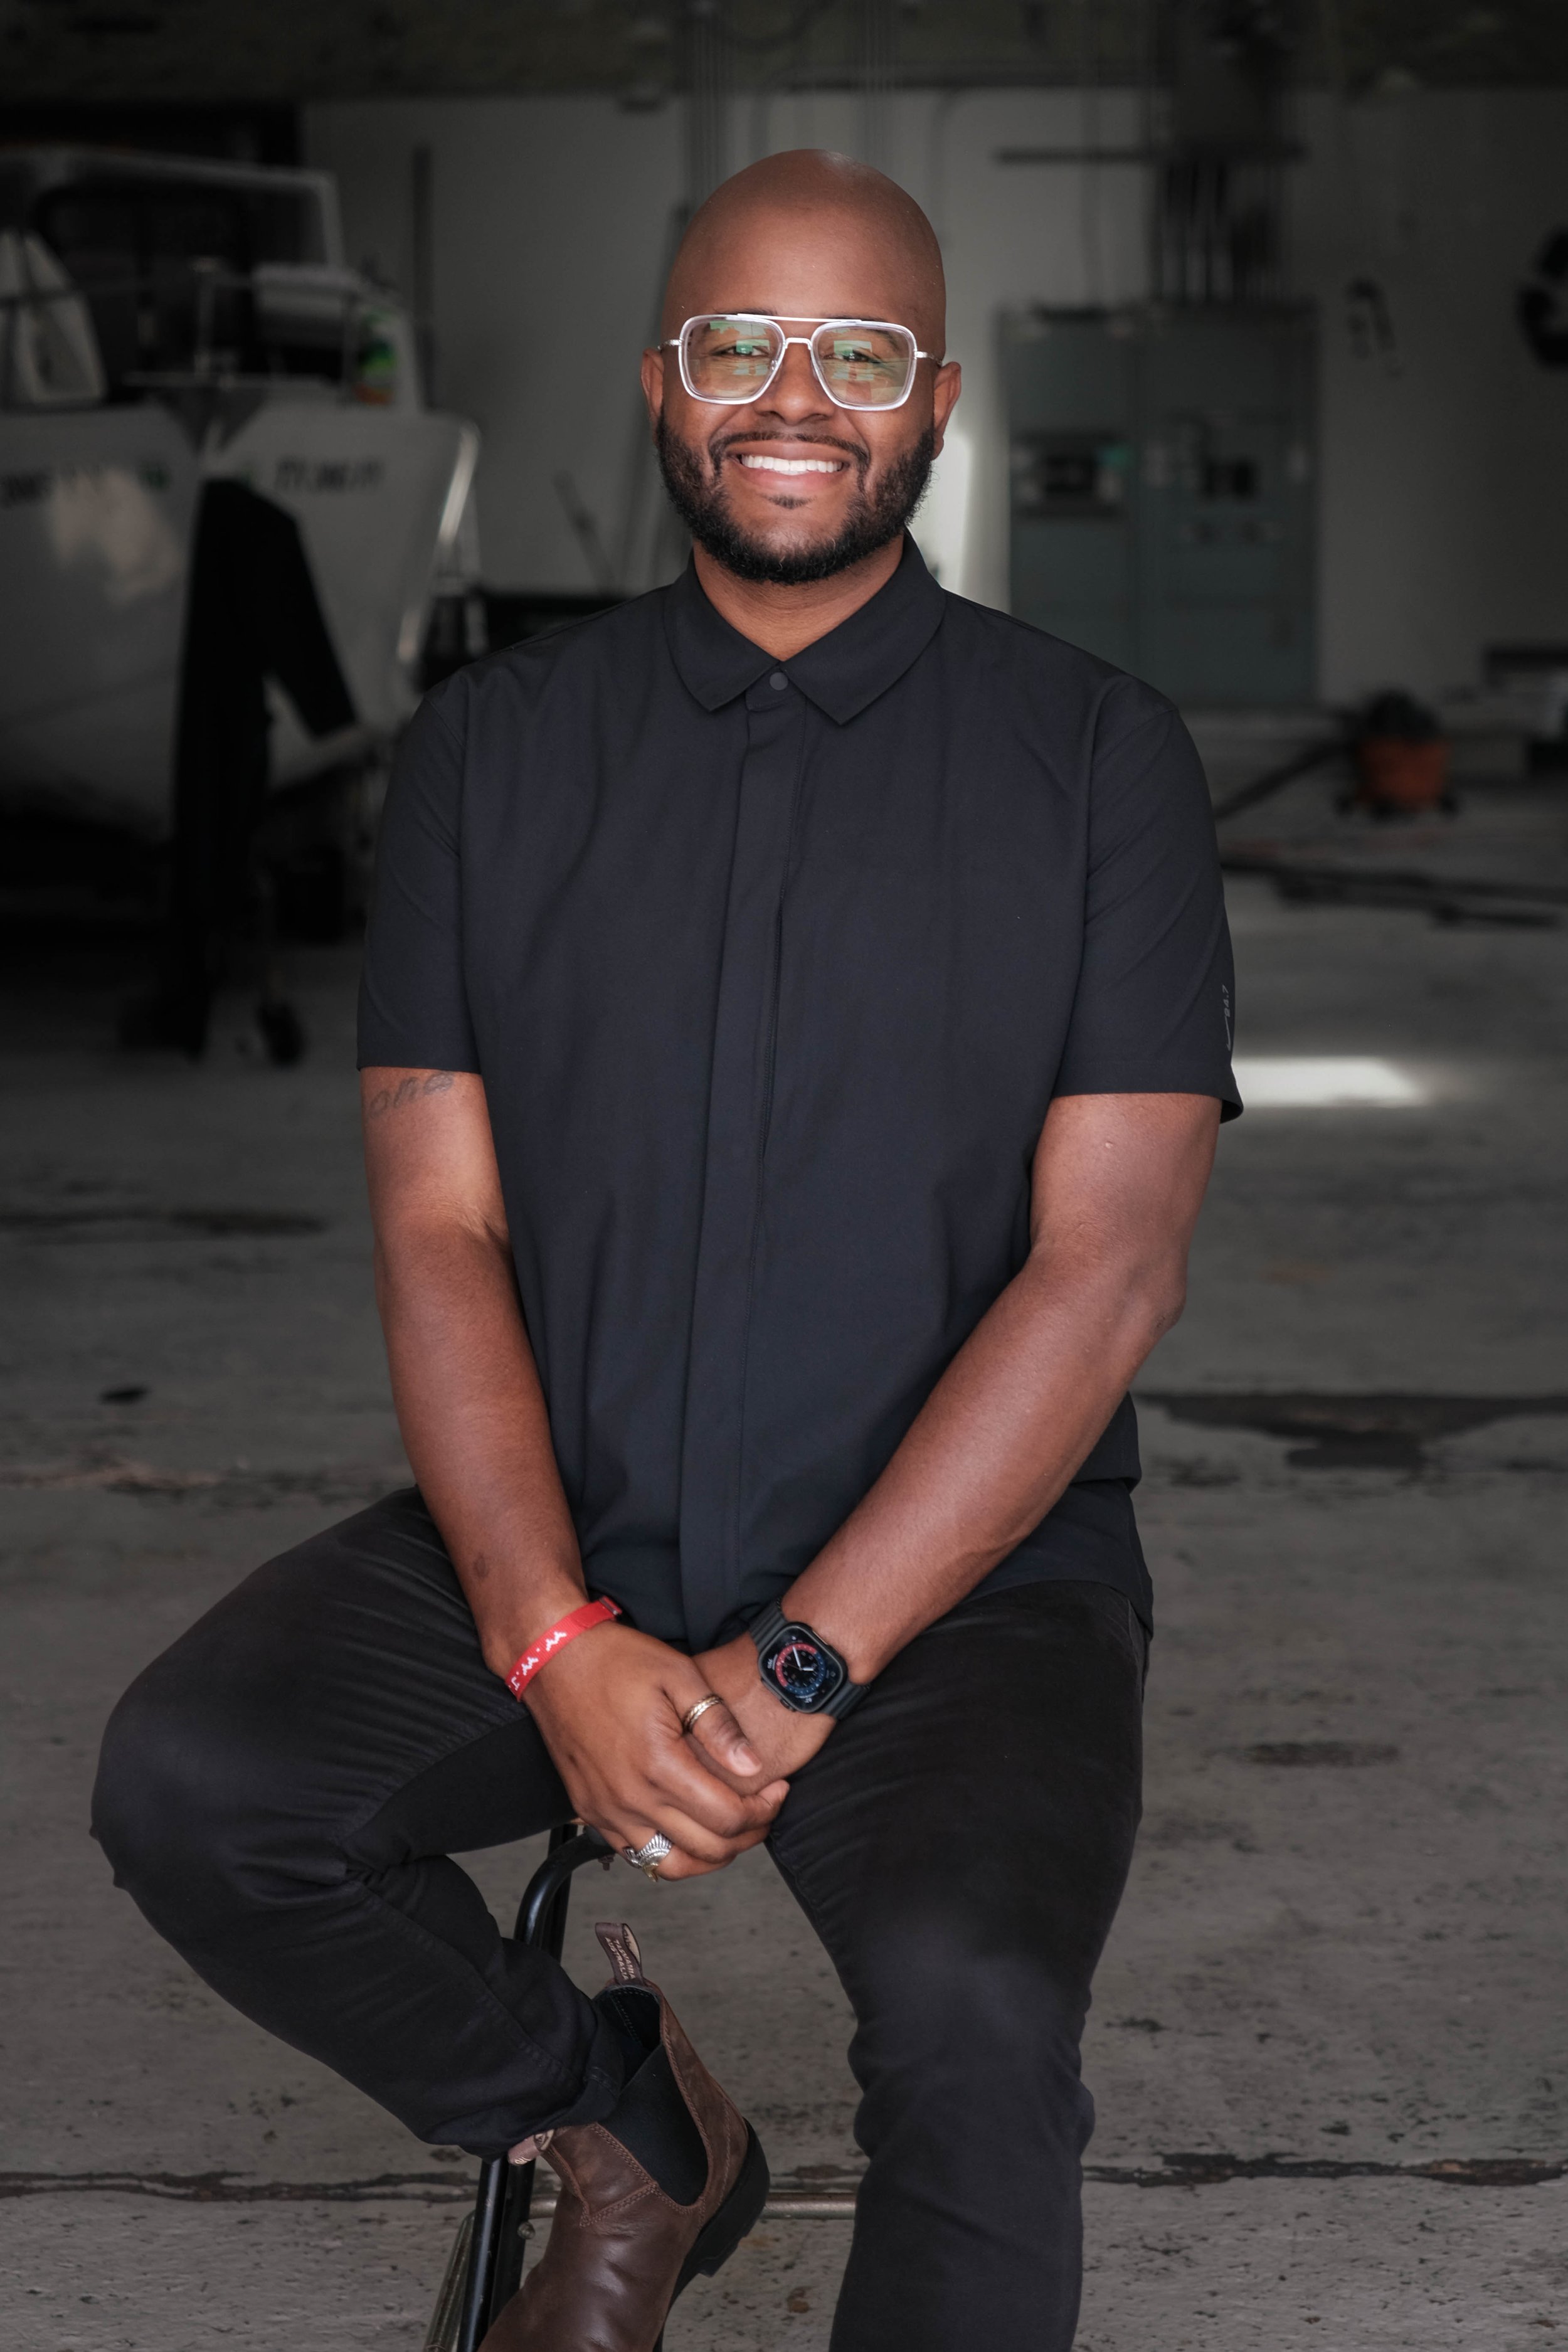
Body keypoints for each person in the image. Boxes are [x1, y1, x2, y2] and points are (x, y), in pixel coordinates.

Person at [93, 150, 1239, 2351]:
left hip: (958, 1596)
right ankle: (619, 2129)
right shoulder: (490, 756)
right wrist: (550, 1640)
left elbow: (1106, 1267)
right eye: (737, 344)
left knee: (979, 2024)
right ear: (660, 382)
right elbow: (442, 1222)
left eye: (857, 354)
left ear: (934, 403)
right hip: (577, 1539)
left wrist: (802, 1664)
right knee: (200, 1784)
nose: (791, 396)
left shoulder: (1100, 761)